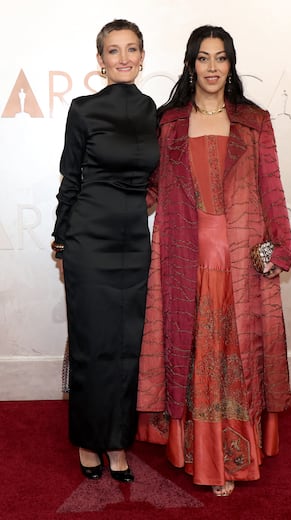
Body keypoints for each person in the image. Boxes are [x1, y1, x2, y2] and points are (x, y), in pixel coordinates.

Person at [137, 25, 291, 496]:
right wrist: (96, 213)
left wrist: (281, 246)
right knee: (194, 354)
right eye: (203, 58)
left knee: (234, 358)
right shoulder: (168, 123)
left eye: (220, 58)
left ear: (231, 64)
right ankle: (200, 453)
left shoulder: (254, 120)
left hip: (240, 258)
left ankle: (230, 454)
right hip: (186, 256)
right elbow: (150, 190)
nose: (211, 67)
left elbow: (271, 187)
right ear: (191, 64)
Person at [51, 19, 159, 482]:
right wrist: (61, 238)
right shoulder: (83, 109)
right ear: (100, 60)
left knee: (127, 346)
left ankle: (117, 442)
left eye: (131, 49)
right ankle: (88, 441)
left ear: (141, 56)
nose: (123, 58)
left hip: (134, 240)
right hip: (88, 239)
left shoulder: (153, 109)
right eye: (113, 51)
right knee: (93, 346)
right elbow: (70, 179)